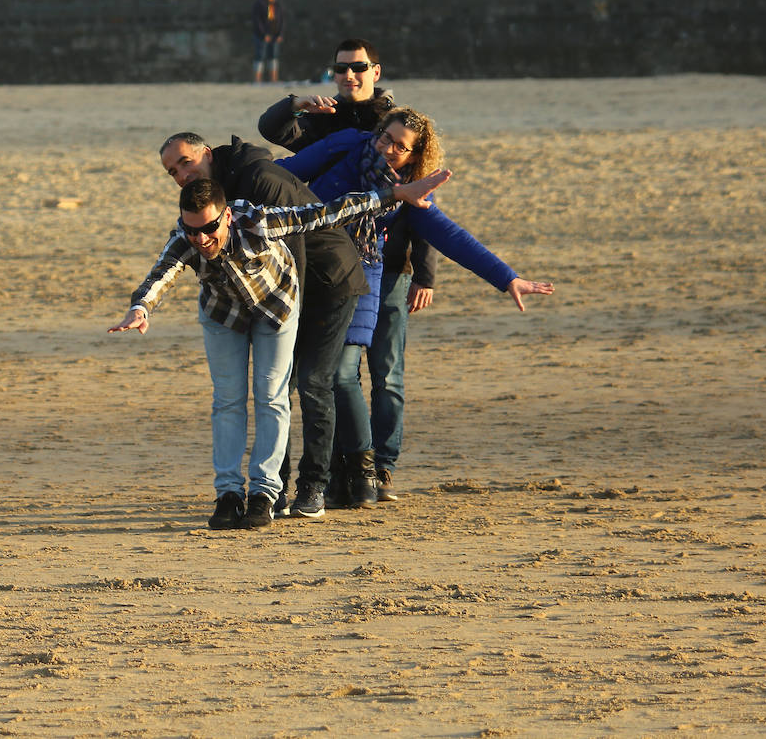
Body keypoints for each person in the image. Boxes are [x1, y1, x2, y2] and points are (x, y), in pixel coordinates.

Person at [109, 170, 449, 531]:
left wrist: (395, 193)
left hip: (276, 309)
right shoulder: (185, 238)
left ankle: (264, 494)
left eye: (208, 228)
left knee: (272, 396)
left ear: (226, 216)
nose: (201, 239)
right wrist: (141, 308)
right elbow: (162, 272)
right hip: (224, 315)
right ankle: (227, 495)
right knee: (227, 399)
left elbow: (328, 212)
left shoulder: (258, 222)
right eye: (191, 230)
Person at [278, 105, 553, 503]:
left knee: (341, 374)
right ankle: (336, 475)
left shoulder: (413, 189)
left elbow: (450, 236)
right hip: (305, 270)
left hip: (360, 277)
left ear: (416, 154)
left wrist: (506, 277)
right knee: (307, 378)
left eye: (401, 147)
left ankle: (365, 470)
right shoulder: (347, 146)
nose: (388, 149)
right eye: (385, 138)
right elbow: (288, 170)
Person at [159, 133, 373, 522]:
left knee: (312, 382)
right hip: (278, 292)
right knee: (279, 389)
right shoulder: (212, 196)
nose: (180, 175)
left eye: (185, 162)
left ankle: (313, 485)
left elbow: (299, 247)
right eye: (172, 171)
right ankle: (271, 490)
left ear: (206, 154)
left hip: (326, 281)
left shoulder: (257, 178)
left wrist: (291, 315)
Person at [259, 38, 390, 153]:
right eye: (341, 68)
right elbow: (270, 130)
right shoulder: (322, 118)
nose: (349, 75)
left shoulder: (392, 120)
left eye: (359, 67)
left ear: (376, 72)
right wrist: (293, 105)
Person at [250, 0, 284, 84]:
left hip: (274, 35)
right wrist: (264, 34)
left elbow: (281, 20)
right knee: (259, 56)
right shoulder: (259, 4)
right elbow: (257, 21)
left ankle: (273, 79)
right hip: (261, 36)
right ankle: (257, 80)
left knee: (273, 57)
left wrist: (280, 34)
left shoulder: (277, 4)